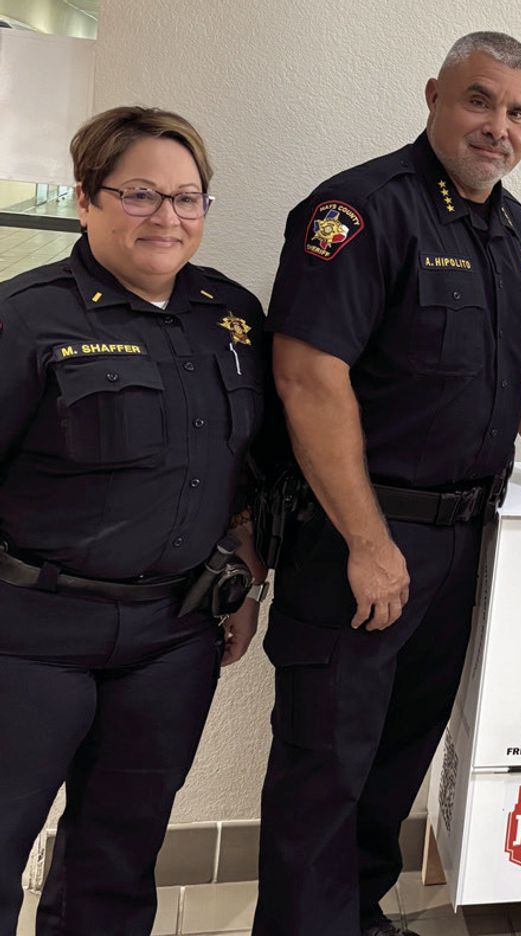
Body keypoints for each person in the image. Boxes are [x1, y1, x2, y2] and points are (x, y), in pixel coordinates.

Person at [253, 32, 521, 936]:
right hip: (361, 536)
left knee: (396, 753)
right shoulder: (360, 211)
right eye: (479, 101)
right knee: (325, 764)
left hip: (459, 543)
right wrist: (368, 543)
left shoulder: (517, 233)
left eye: (519, 112)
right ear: (434, 96)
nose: (499, 127)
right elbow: (306, 377)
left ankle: (357, 915)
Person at [0, 107, 267, 936]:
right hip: (31, 634)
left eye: (188, 198)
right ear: (86, 198)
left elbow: (244, 466)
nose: (168, 218)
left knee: (119, 854)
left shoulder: (230, 316)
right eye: (141, 194)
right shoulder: (24, 318)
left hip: (172, 635)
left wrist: (245, 575)